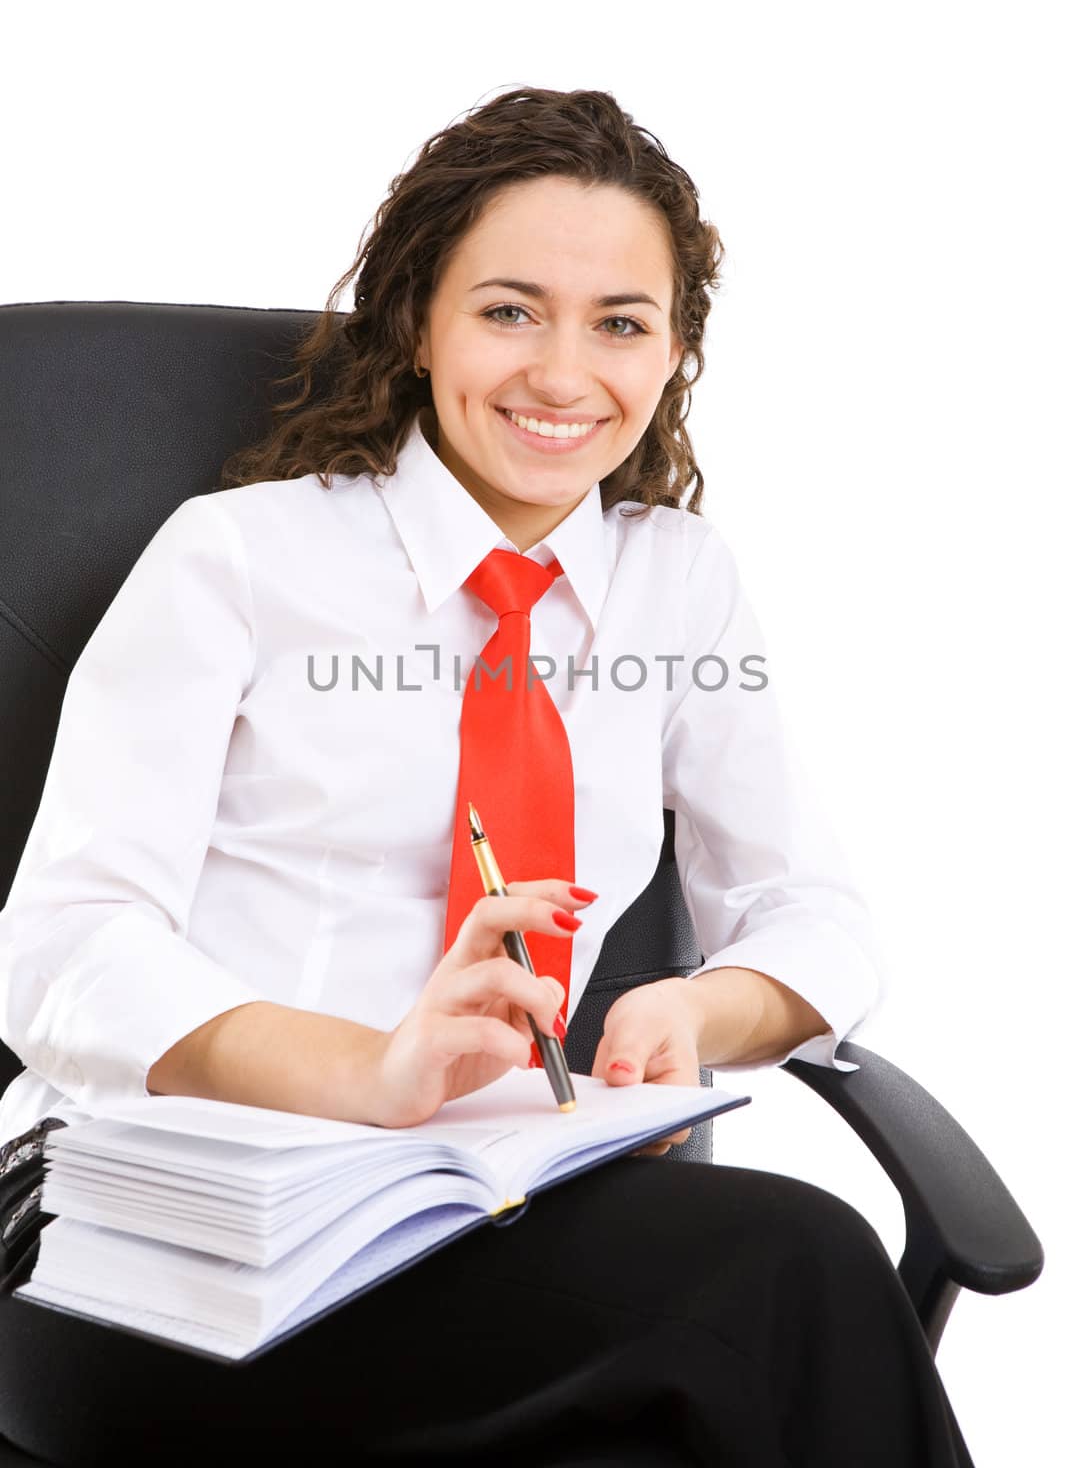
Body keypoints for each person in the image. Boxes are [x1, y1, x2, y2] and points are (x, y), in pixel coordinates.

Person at [0, 86, 975, 1467]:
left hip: (483, 1214)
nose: (564, 374)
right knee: (794, 1275)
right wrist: (373, 1071)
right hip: (173, 1237)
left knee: (734, 1349)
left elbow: (815, 908)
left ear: (674, 352)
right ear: (419, 321)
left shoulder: (674, 584)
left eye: (620, 323)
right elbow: (59, 951)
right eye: (510, 309)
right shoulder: (238, 561)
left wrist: (701, 1008)